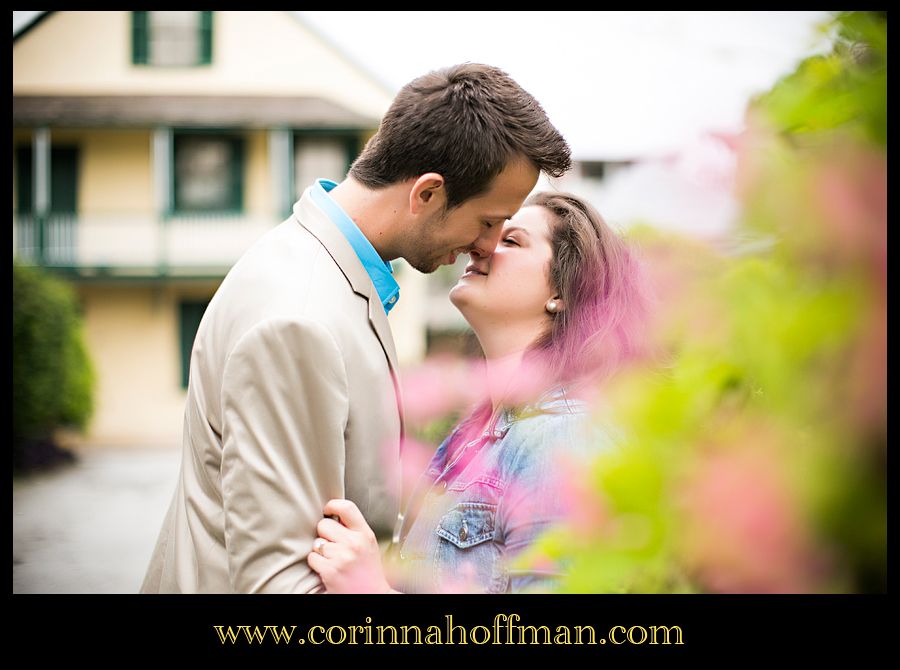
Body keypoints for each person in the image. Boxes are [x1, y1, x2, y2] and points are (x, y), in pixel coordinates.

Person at [140, 63, 571, 593]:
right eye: (487, 221)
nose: (487, 246)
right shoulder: (300, 317)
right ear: (427, 194)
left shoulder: (324, 275)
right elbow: (282, 584)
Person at [306, 192, 650, 593]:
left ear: (563, 291)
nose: (481, 246)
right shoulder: (470, 442)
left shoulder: (563, 437)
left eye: (511, 241)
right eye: (489, 233)